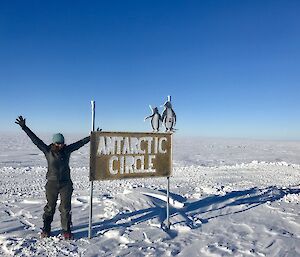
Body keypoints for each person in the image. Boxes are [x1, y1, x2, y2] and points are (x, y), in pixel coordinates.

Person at [15, 116, 90, 240]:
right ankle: (46, 229)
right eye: (57, 143)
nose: (60, 145)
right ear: (54, 142)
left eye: (61, 143)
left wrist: (91, 137)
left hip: (66, 184)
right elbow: (36, 140)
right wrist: (24, 127)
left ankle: (66, 230)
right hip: (52, 183)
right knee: (50, 207)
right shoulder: (48, 151)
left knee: (65, 208)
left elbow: (80, 143)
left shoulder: (67, 150)